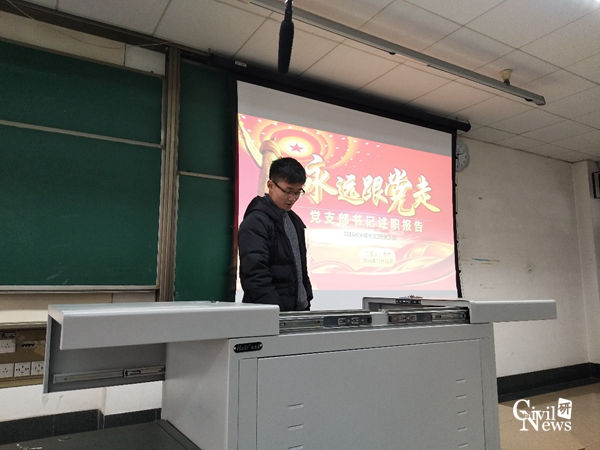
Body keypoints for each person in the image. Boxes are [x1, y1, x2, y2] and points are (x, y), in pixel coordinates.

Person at [238, 157, 313, 311]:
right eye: (288, 191)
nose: (292, 198)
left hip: (296, 312)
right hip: (270, 315)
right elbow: (255, 276)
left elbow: (300, 270)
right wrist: (276, 312)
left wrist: (305, 301)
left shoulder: (294, 221)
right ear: (270, 185)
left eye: (298, 192)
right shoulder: (256, 222)